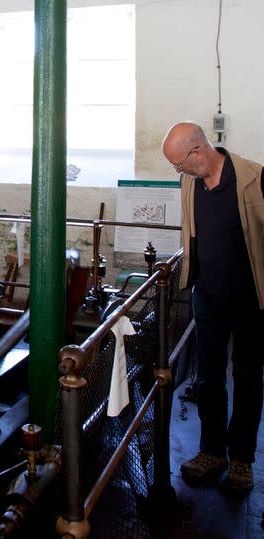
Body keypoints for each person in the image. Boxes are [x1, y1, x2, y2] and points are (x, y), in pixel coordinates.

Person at [161, 121, 264, 493]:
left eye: (179, 163)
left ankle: (241, 459)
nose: (178, 171)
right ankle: (211, 451)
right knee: (208, 377)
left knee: (249, 378)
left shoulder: (253, 179)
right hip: (206, 296)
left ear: (198, 152)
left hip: (249, 300)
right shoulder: (190, 181)